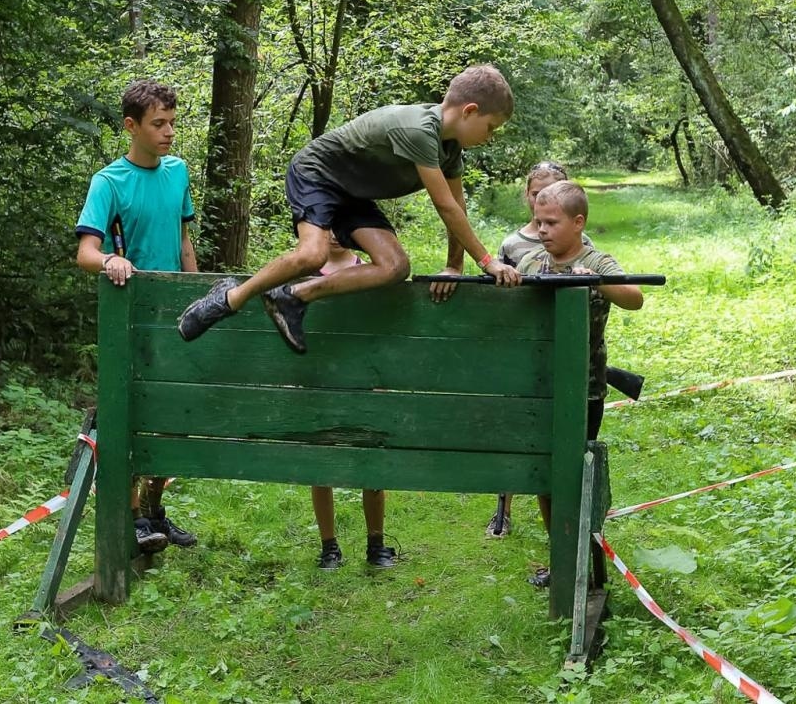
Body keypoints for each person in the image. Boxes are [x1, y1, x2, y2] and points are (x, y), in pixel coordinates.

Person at [177, 64, 523, 353]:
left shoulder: (450, 149)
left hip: (352, 193)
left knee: (395, 266)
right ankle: (230, 297)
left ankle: (292, 297)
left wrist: (453, 266)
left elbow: (457, 206)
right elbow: (445, 206)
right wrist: (488, 262)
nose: (490, 137)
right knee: (312, 255)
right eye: (490, 127)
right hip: (316, 173)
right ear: (469, 111)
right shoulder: (419, 130)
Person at [75, 79, 201, 556]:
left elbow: (184, 242)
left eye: (172, 123)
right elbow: (86, 252)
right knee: (133, 417)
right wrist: (110, 259)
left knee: (170, 417)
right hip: (130, 317)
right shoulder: (108, 182)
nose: (169, 132)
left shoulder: (178, 171)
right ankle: (130, 520)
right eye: (158, 124)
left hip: (174, 315)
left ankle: (154, 511)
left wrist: (200, 299)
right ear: (131, 126)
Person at [515, 180, 644, 588]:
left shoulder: (597, 260)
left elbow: (634, 298)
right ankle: (564, 560)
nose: (543, 230)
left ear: (578, 222)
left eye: (552, 222)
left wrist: (594, 280)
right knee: (545, 477)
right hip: (540, 386)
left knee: (576, 478)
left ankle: (583, 563)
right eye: (538, 222)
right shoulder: (531, 262)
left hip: (584, 389)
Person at [486, 160, 592, 541]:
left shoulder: (587, 251)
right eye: (535, 196)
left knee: (565, 459)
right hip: (526, 356)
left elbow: (621, 296)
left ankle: (569, 541)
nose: (543, 224)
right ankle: (505, 509)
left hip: (571, 363)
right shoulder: (518, 248)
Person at [309, 244, 395, 569]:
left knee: (371, 462)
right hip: (320, 380)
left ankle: (376, 544)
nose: (334, 234)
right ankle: (329, 547)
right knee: (320, 464)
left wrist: (379, 379)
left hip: (363, 379)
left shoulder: (370, 270)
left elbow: (380, 328)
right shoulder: (304, 271)